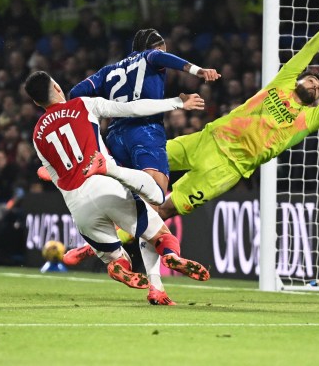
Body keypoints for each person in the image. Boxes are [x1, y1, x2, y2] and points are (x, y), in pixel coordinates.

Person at [155, 0, 319, 219]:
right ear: (298, 79)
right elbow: (309, 50)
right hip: (207, 139)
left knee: (167, 209)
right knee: (140, 159)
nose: (315, 86)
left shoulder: (309, 118)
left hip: (227, 168)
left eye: (318, 89)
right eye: (312, 80)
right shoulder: (283, 82)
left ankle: (119, 250)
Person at [24, 70, 210, 305]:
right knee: (159, 233)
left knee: (117, 259)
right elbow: (133, 109)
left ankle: (126, 273)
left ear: (35, 102)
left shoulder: (38, 135)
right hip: (106, 184)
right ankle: (171, 256)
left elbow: (57, 177)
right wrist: (176, 102)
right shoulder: (84, 105)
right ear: (58, 88)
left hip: (78, 206)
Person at [68, 28, 220, 197]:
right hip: (145, 131)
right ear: (158, 47)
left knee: (129, 200)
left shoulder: (107, 71)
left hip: (114, 138)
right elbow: (159, 57)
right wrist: (198, 70)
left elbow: (75, 93)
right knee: (154, 196)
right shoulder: (150, 55)